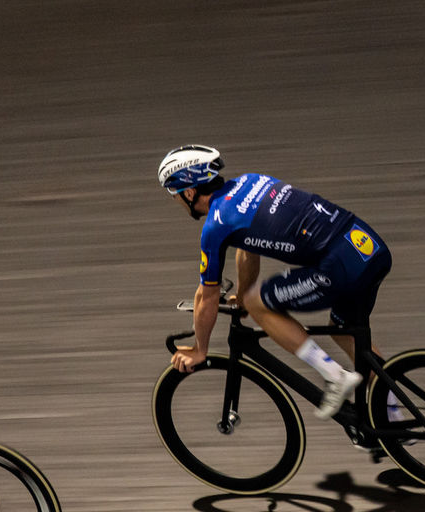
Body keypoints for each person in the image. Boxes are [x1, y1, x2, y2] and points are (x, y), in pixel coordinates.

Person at [158, 145, 392, 419]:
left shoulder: (215, 225)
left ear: (189, 192)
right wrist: (242, 294)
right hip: (368, 246)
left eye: (174, 195)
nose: (176, 201)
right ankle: (394, 418)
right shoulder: (251, 180)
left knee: (259, 303)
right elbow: (248, 249)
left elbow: (206, 296)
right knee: (343, 330)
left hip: (338, 266)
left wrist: (200, 350)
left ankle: (334, 375)